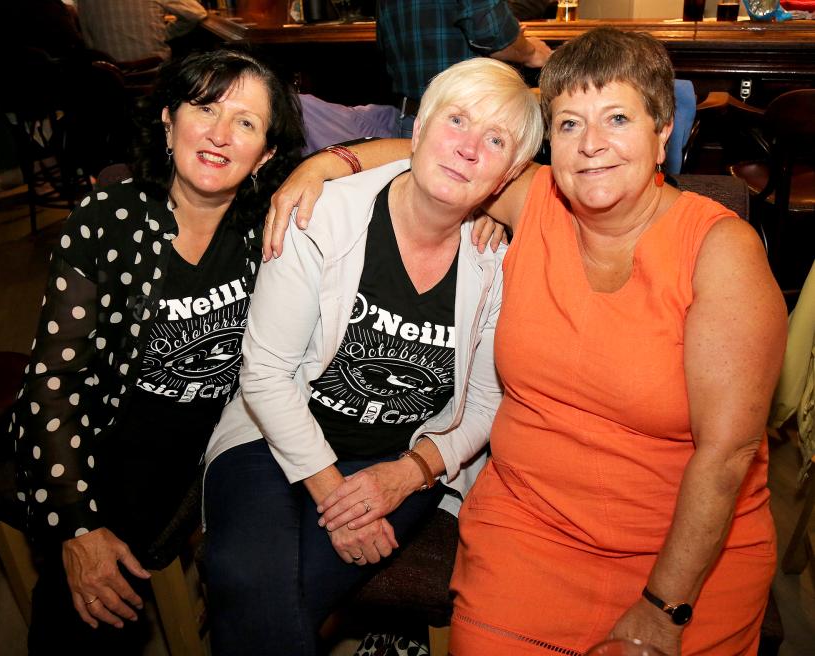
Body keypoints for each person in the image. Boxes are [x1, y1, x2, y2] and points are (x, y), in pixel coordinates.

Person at [264, 26, 787, 656]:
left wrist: (662, 609)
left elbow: (727, 455)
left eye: (616, 118)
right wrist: (329, 163)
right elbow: (440, 152)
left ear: (661, 133)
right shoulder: (536, 198)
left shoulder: (718, 250)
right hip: (531, 531)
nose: (591, 145)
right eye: (568, 124)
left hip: (684, 552)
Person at [202, 56, 543, 656]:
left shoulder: (498, 260)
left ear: (508, 175)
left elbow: (489, 398)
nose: (467, 148)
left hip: (396, 459)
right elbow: (266, 373)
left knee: (279, 596)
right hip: (271, 436)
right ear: (418, 130)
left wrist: (410, 473)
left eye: (494, 140)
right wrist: (338, 498)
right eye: (456, 121)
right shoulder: (320, 216)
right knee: (247, 576)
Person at [10, 44, 305, 654]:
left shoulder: (271, 226)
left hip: (231, 435)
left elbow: (404, 163)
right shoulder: (106, 219)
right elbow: (52, 383)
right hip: (117, 438)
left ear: (266, 154)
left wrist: (323, 170)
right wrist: (76, 524)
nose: (221, 134)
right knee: (84, 609)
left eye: (246, 123)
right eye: (204, 108)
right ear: (168, 120)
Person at [377, 0, 552, 137]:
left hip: (411, 118)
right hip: (473, 123)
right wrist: (532, 52)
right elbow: (494, 33)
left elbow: (383, 43)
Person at [77, 0, 207, 62]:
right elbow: (196, 13)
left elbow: (88, 39)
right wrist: (166, 33)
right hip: (153, 75)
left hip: (109, 80)